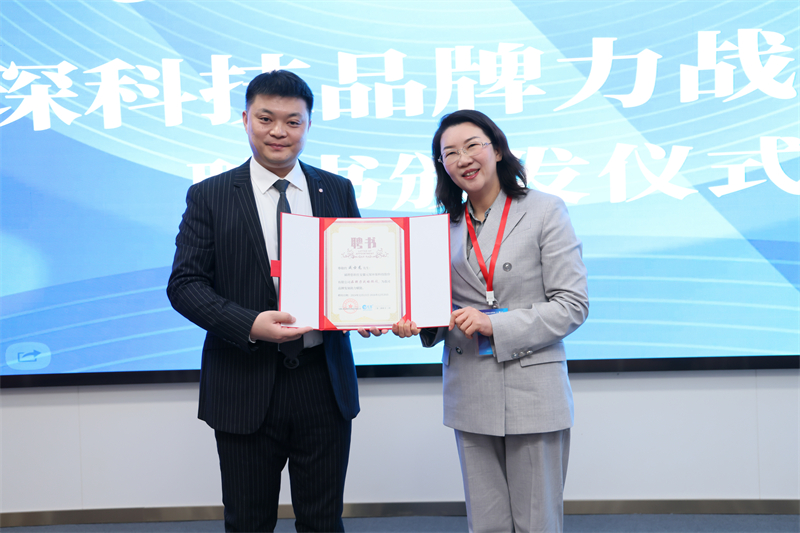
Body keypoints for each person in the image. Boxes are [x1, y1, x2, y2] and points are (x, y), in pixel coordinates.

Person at [167, 70, 382, 532]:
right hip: (243, 381)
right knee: (248, 522)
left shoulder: (336, 189)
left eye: (293, 121)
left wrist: (372, 309)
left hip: (323, 382)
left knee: (323, 522)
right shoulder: (209, 195)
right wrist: (249, 324)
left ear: (308, 124)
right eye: (266, 118)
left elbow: (358, 275)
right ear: (245, 119)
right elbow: (185, 285)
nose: (279, 131)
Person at [393, 110, 589, 533]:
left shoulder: (544, 210)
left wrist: (495, 325)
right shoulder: (441, 227)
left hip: (533, 389)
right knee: (486, 525)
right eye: (449, 153)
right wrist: (417, 322)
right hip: (470, 388)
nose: (463, 158)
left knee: (537, 523)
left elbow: (572, 305)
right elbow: (438, 310)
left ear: (497, 149)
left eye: (472, 146)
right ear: (442, 165)